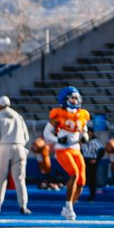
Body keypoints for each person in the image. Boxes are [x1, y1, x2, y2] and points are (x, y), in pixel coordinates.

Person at [45, 86, 90, 220]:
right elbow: (46, 133)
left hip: (76, 149)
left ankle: (69, 207)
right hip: (62, 149)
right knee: (74, 174)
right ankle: (69, 206)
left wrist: (85, 136)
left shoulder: (82, 114)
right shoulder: (58, 114)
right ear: (65, 99)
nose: (75, 101)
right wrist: (57, 139)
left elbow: (84, 130)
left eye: (77, 98)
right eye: (72, 98)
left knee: (82, 181)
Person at [0, 95, 29, 215]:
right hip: (19, 147)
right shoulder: (18, 116)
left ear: (0, 105)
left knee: (0, 178)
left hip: (4, 147)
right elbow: (26, 136)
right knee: (20, 179)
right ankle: (23, 206)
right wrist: (20, 143)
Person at [82, 125, 106, 201]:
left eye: (89, 133)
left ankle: (92, 195)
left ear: (92, 133)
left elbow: (101, 151)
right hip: (84, 159)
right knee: (82, 177)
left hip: (92, 160)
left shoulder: (95, 141)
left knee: (92, 178)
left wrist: (96, 159)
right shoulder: (82, 140)